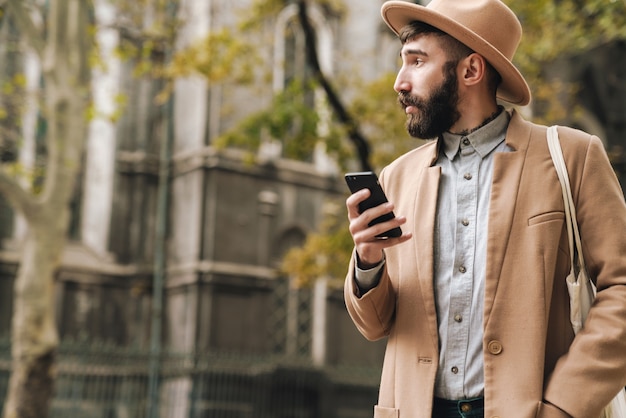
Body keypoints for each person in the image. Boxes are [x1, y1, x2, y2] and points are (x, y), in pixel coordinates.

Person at [343, 0, 626, 417]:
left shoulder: (572, 157)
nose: (399, 82)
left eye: (416, 62)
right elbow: (376, 325)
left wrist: (564, 406)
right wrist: (368, 262)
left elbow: (621, 290)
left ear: (471, 71)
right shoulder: (397, 177)